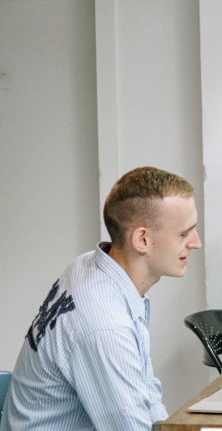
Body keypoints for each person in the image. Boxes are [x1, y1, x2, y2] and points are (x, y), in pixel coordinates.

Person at [1, 167, 202, 431]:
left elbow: (146, 392)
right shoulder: (104, 325)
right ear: (142, 239)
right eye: (184, 233)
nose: (196, 243)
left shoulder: (89, 265)